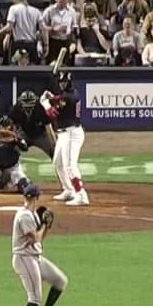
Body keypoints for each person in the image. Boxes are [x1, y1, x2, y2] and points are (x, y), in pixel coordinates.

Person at [10, 184, 67, 306]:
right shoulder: (24, 216)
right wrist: (44, 224)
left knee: (60, 280)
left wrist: (46, 226)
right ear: (35, 198)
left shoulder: (32, 214)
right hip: (24, 258)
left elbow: (39, 239)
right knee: (35, 297)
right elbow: (35, 237)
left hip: (35, 257)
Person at [45, 71, 88, 206]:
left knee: (70, 166)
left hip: (71, 134)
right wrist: (51, 98)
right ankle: (68, 190)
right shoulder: (69, 94)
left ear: (69, 82)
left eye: (64, 82)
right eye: (61, 82)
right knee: (57, 162)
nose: (62, 85)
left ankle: (81, 195)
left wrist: (45, 103)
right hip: (64, 134)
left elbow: (53, 114)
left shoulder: (70, 96)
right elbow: (59, 100)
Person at [0, 116, 32, 192]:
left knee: (24, 188)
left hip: (12, 170)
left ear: (11, 126)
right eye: (3, 125)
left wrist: (16, 140)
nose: (4, 127)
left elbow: (25, 148)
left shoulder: (16, 136)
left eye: (7, 125)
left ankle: (0, 185)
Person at [8, 90, 56, 159]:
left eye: (30, 107)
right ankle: (10, 168)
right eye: (26, 107)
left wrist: (54, 144)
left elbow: (48, 127)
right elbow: (12, 126)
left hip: (41, 135)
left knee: (55, 152)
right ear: (21, 105)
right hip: (24, 133)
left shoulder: (41, 108)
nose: (28, 109)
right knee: (10, 150)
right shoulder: (16, 109)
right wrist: (16, 139)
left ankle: (61, 168)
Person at [3, 0, 43, 64]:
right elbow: (43, 29)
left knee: (16, 68)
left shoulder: (13, 8)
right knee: (33, 69)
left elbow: (9, 27)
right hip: (32, 44)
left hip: (18, 44)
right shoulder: (36, 10)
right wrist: (45, 44)